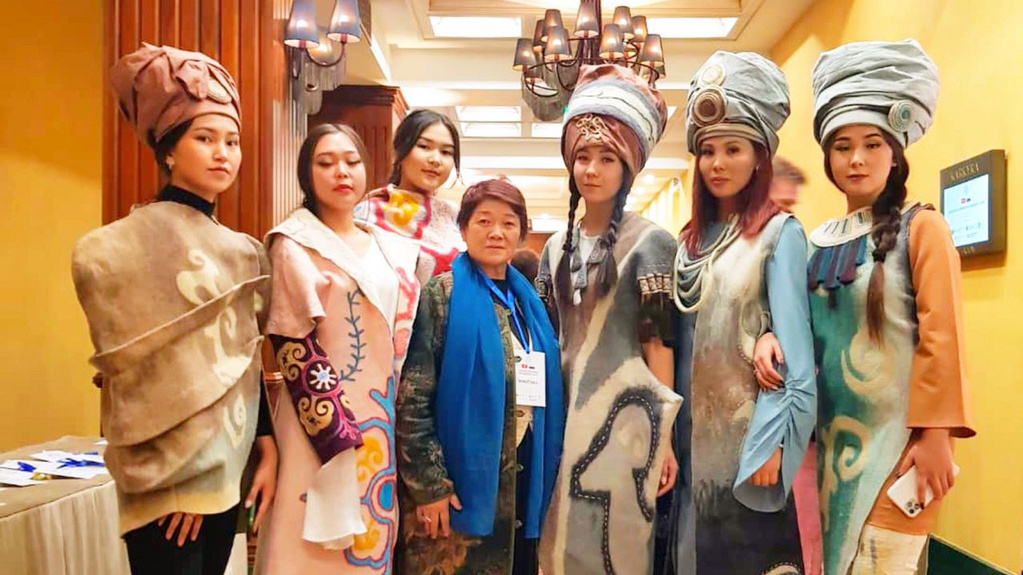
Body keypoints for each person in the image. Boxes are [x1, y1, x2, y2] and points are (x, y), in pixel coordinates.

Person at [754, 39, 975, 575]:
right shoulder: (816, 240)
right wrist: (768, 335)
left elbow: (943, 337)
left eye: (872, 144)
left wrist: (937, 436)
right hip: (829, 452)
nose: (856, 159)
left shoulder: (923, 228)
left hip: (901, 453)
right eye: (842, 146)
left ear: (895, 152)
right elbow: (795, 327)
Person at [72, 44, 275, 575]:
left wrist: (266, 445)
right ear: (167, 151)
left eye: (232, 141)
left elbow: (244, 359)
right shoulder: (113, 249)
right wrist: (180, 478)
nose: (222, 154)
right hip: (167, 480)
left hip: (227, 467)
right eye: (204, 139)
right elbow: (145, 379)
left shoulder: (244, 251)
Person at [668, 51, 816, 575]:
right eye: (708, 151)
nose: (717, 163)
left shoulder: (779, 234)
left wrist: (772, 444)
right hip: (689, 444)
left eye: (733, 149)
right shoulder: (687, 243)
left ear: (759, 157)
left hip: (747, 447)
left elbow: (796, 358)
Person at [255, 124, 422, 574]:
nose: (341, 172)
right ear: (307, 175)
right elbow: (292, 343)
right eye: (325, 163)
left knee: (370, 533)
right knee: (305, 544)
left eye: (351, 161)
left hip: (379, 415)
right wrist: (332, 433)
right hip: (316, 419)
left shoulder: (388, 245)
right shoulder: (294, 243)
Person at [535, 64, 681, 575]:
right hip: (560, 414)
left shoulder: (653, 243)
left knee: (618, 540)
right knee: (556, 539)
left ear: (628, 168)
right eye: (582, 157)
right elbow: (547, 337)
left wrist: (665, 438)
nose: (591, 170)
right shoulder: (554, 247)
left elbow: (659, 344)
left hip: (628, 417)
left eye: (606, 158)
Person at [395, 179, 565, 574]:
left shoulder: (530, 303)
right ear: (463, 228)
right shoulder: (441, 296)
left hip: (523, 477)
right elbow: (413, 400)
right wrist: (430, 486)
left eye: (508, 223)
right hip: (457, 488)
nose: (496, 232)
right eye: (484, 221)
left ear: (522, 233)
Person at [355, 109, 465, 284]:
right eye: (424, 147)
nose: (436, 159)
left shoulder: (457, 219)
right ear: (399, 151)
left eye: (446, 152)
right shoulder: (368, 214)